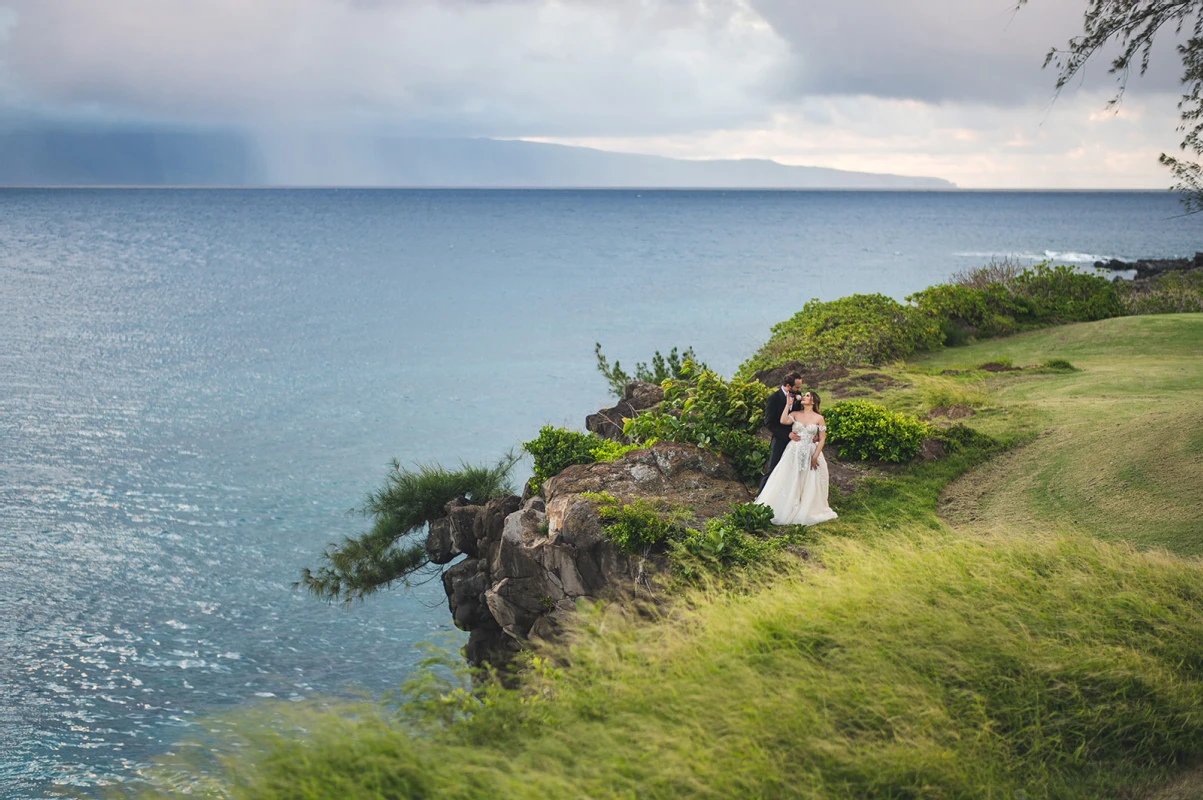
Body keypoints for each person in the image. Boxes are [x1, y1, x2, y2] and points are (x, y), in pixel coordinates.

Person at [755, 389, 838, 526]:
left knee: (809, 480)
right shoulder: (795, 414)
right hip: (794, 451)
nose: (804, 397)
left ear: (813, 400)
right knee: (789, 477)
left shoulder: (819, 418)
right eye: (804, 395)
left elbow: (822, 439)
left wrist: (815, 456)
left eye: (807, 396)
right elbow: (783, 420)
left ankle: (805, 506)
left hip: (811, 452)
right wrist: (788, 404)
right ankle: (787, 506)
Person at [758, 373, 805, 493]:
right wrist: (787, 435)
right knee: (773, 469)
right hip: (779, 440)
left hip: (796, 441)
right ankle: (760, 498)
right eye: (797, 387)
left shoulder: (797, 395)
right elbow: (769, 423)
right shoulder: (773, 399)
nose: (799, 390)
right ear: (788, 386)